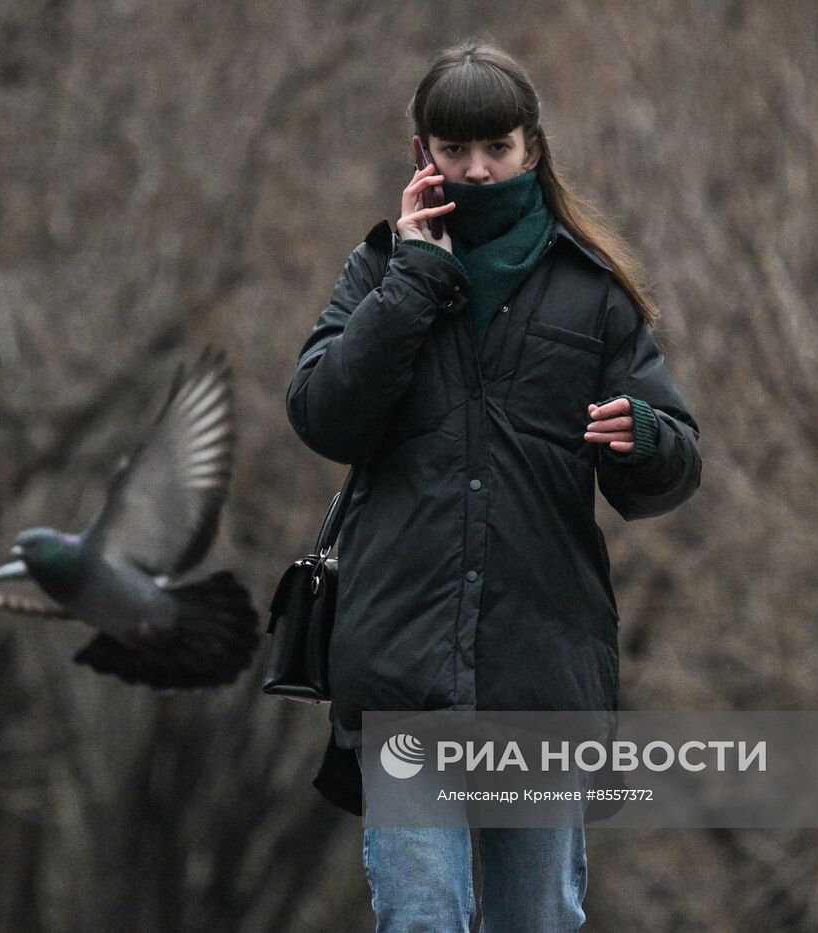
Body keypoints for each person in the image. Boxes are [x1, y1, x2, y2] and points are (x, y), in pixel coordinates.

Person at [285, 41, 701, 931]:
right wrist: (414, 281)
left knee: (539, 918)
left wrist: (644, 438)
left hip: (540, 669)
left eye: (497, 150)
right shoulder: (376, 273)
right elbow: (321, 415)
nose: (476, 172)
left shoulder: (594, 295)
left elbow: (674, 468)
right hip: (400, 664)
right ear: (419, 155)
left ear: (533, 149)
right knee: (424, 917)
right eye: (453, 151)